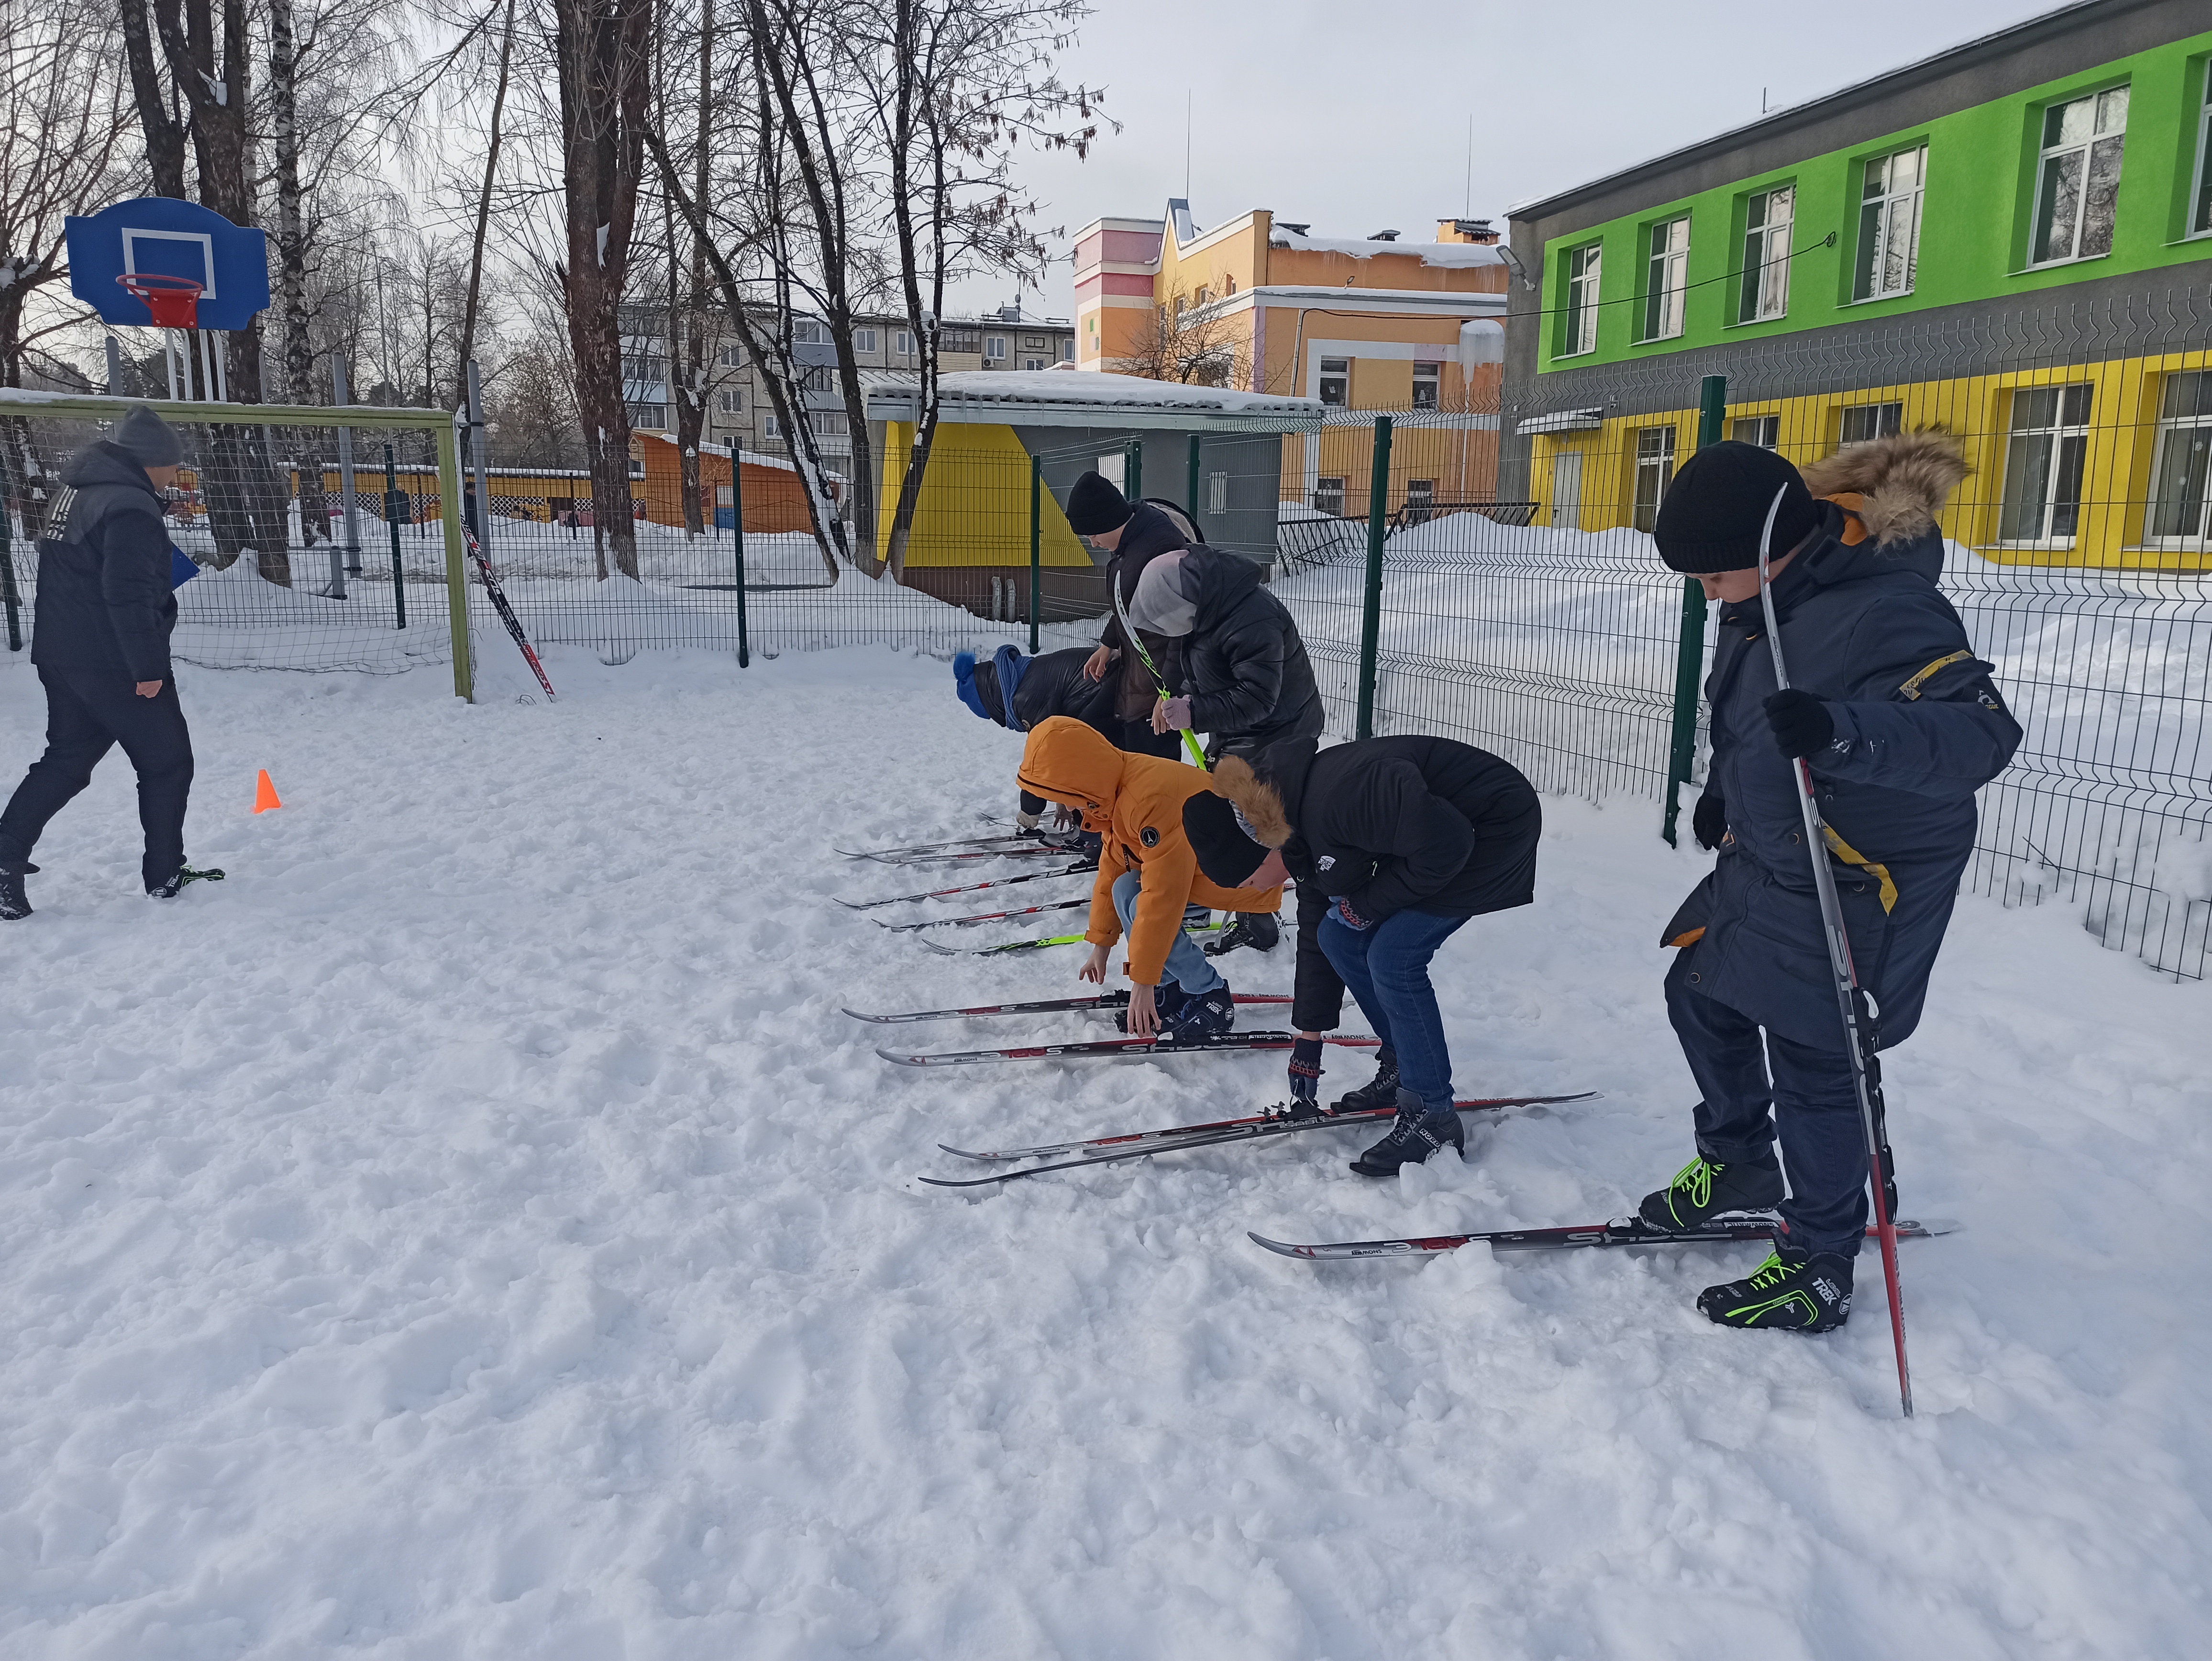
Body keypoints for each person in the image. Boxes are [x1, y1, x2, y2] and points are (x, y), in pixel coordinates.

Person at [1640, 434, 2021, 1332]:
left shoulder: (1884, 609)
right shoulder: (1765, 599)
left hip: (1858, 871)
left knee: (1818, 1058)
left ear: (1772, 547)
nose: (1704, 592)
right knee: (1697, 992)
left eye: (1713, 573)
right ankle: (1737, 1161)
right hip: (1773, 852)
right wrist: (1724, 794)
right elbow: (1749, 719)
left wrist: (1840, 730)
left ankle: (1817, 1259)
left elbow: (1980, 737)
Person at [1183, 735, 1541, 1176]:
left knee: (1394, 957)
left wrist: (1367, 904)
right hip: (1437, 837)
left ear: (1265, 845)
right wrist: (1308, 1037)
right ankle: (1402, 1064)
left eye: (1250, 879)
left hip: (1490, 829)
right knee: (1339, 935)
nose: (1253, 890)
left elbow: (1446, 846)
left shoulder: (1340, 799)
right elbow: (1317, 931)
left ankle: (1433, 1114)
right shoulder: (1288, 815)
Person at [0, 406, 220, 920]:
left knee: (68, 762)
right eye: (171, 466)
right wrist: (147, 669)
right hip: (114, 661)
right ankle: (164, 873)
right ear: (150, 463)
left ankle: (4, 857)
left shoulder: (77, 492)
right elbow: (126, 594)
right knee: (167, 763)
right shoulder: (131, 507)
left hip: (61, 653)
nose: (174, 475)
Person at [1014, 716, 1284, 1041]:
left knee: (1145, 904)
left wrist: (1143, 981)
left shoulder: (1146, 801)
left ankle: (1210, 995)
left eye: (1061, 795)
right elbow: (1114, 867)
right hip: (1200, 868)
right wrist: (1101, 943)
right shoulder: (1114, 787)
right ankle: (1172, 989)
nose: (1063, 806)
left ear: (1079, 783)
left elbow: (1163, 898)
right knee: (1125, 886)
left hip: (1245, 873)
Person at [1064, 470, 1190, 762]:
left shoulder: (1159, 549)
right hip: (1139, 671)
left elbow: (1184, 630)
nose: (1093, 543)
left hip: (1158, 680)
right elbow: (1131, 604)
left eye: (1093, 533)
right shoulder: (1131, 545)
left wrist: (1169, 695)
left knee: (1151, 767)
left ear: (1107, 520)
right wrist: (1109, 644)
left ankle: (1163, 808)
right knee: (1095, 730)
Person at [952, 644, 1117, 844]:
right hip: (1107, 682)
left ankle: (1092, 834)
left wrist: (1030, 812)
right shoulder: (1020, 676)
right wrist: (1063, 801)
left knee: (1090, 760)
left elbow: (1044, 758)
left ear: (990, 703)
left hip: (1108, 691)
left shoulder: (1026, 697)